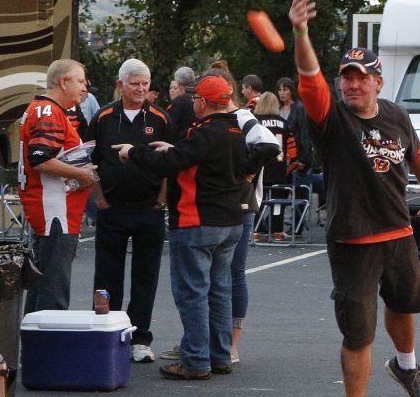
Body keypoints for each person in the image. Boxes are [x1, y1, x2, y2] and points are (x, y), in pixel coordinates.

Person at [288, 0, 420, 397]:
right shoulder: (330, 118)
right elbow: (309, 77)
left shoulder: (396, 114)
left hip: (399, 232)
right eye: (346, 78)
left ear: (378, 81)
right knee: (358, 334)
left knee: (405, 306)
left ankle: (407, 366)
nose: (352, 85)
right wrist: (300, 32)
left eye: (360, 78)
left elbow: (415, 151)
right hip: (353, 240)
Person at [115, 75, 249, 380]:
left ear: (202, 102)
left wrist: (132, 152)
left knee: (193, 292)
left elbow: (172, 163)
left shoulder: (203, 133)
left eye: (195, 100)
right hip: (230, 221)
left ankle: (196, 360)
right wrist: (174, 148)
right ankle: (219, 355)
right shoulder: (236, 130)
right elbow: (194, 157)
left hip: (197, 220)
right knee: (219, 290)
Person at [157, 67, 280, 365]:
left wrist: (245, 175)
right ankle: (219, 350)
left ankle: (203, 353)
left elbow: (269, 146)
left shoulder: (237, 118)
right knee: (221, 284)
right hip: (231, 212)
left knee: (213, 284)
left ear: (204, 99)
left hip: (223, 210)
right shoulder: (232, 122)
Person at [89, 59, 172, 363]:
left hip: (148, 209)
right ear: (121, 84)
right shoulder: (103, 117)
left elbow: (170, 162)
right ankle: (104, 334)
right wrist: (99, 198)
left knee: (145, 277)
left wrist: (162, 198)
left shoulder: (161, 118)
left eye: (145, 84)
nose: (141, 89)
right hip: (112, 208)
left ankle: (140, 338)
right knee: (106, 277)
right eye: (135, 83)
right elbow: (88, 160)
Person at [18, 59, 98, 313]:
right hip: (55, 210)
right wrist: (81, 174)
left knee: (42, 285)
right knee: (53, 290)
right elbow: (41, 158)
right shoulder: (49, 112)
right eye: (80, 80)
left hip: (52, 209)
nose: (85, 87)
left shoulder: (44, 109)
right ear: (63, 82)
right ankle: (47, 351)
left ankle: (32, 349)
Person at [252, 92, 301, 239]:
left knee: (258, 200)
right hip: (278, 169)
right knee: (277, 203)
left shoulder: (254, 122)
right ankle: (277, 231)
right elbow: (292, 151)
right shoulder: (283, 124)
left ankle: (256, 231)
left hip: (259, 168)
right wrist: (289, 168)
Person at [167, 66, 198, 138]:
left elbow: (171, 126)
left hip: (180, 142)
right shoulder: (199, 97)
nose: (172, 90)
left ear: (178, 83)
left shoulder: (179, 101)